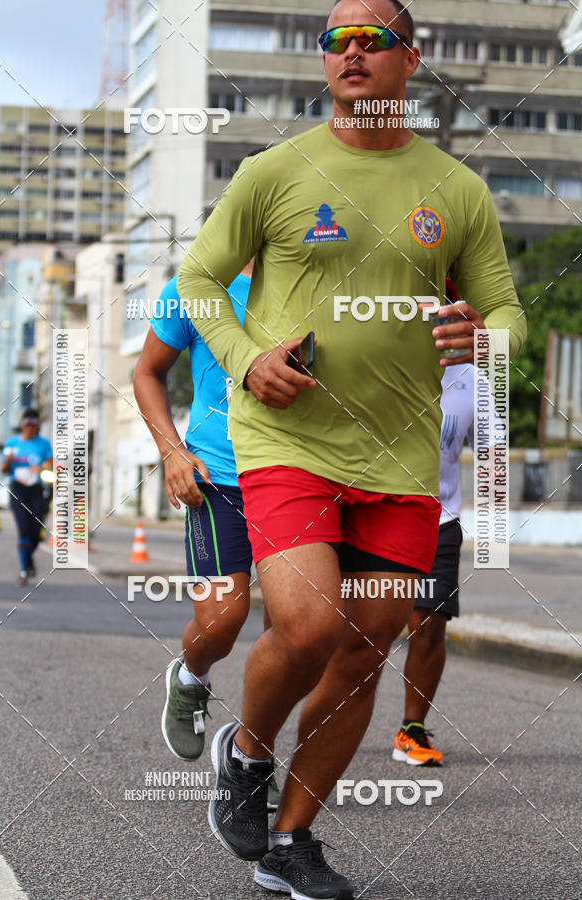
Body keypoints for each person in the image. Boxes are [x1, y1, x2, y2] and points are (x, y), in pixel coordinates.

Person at [177, 0, 527, 896]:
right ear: (324, 62)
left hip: (404, 457)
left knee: (369, 645)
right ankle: (246, 753)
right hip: (288, 440)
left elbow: (507, 312)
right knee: (308, 623)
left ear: (414, 59)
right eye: (338, 39)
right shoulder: (274, 172)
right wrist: (248, 360)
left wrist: (484, 342)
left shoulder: (455, 189)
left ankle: (293, 842)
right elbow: (199, 279)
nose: (354, 52)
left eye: (375, 39)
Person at [133, 257, 280, 808]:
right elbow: (147, 370)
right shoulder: (193, 287)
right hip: (217, 479)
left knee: (298, 630)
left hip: (296, 478)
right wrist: (172, 450)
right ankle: (192, 678)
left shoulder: (318, 282)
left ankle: (250, 756)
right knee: (221, 620)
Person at [393, 361, 488, 767]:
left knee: (429, 624)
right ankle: (332, 720)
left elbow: (492, 447)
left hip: (439, 517)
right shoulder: (381, 356)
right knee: (355, 630)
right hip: (373, 511)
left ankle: (411, 729)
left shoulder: (473, 378)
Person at [0, 409, 53, 586]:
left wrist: (42, 467)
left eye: (33, 425)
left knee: (36, 533)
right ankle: (24, 570)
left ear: (37, 426)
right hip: (18, 490)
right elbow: (3, 468)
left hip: (36, 490)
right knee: (23, 530)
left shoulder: (43, 444)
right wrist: (9, 460)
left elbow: (50, 465)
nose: (30, 428)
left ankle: (28, 560)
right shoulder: (12, 443)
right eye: (27, 425)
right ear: (22, 425)